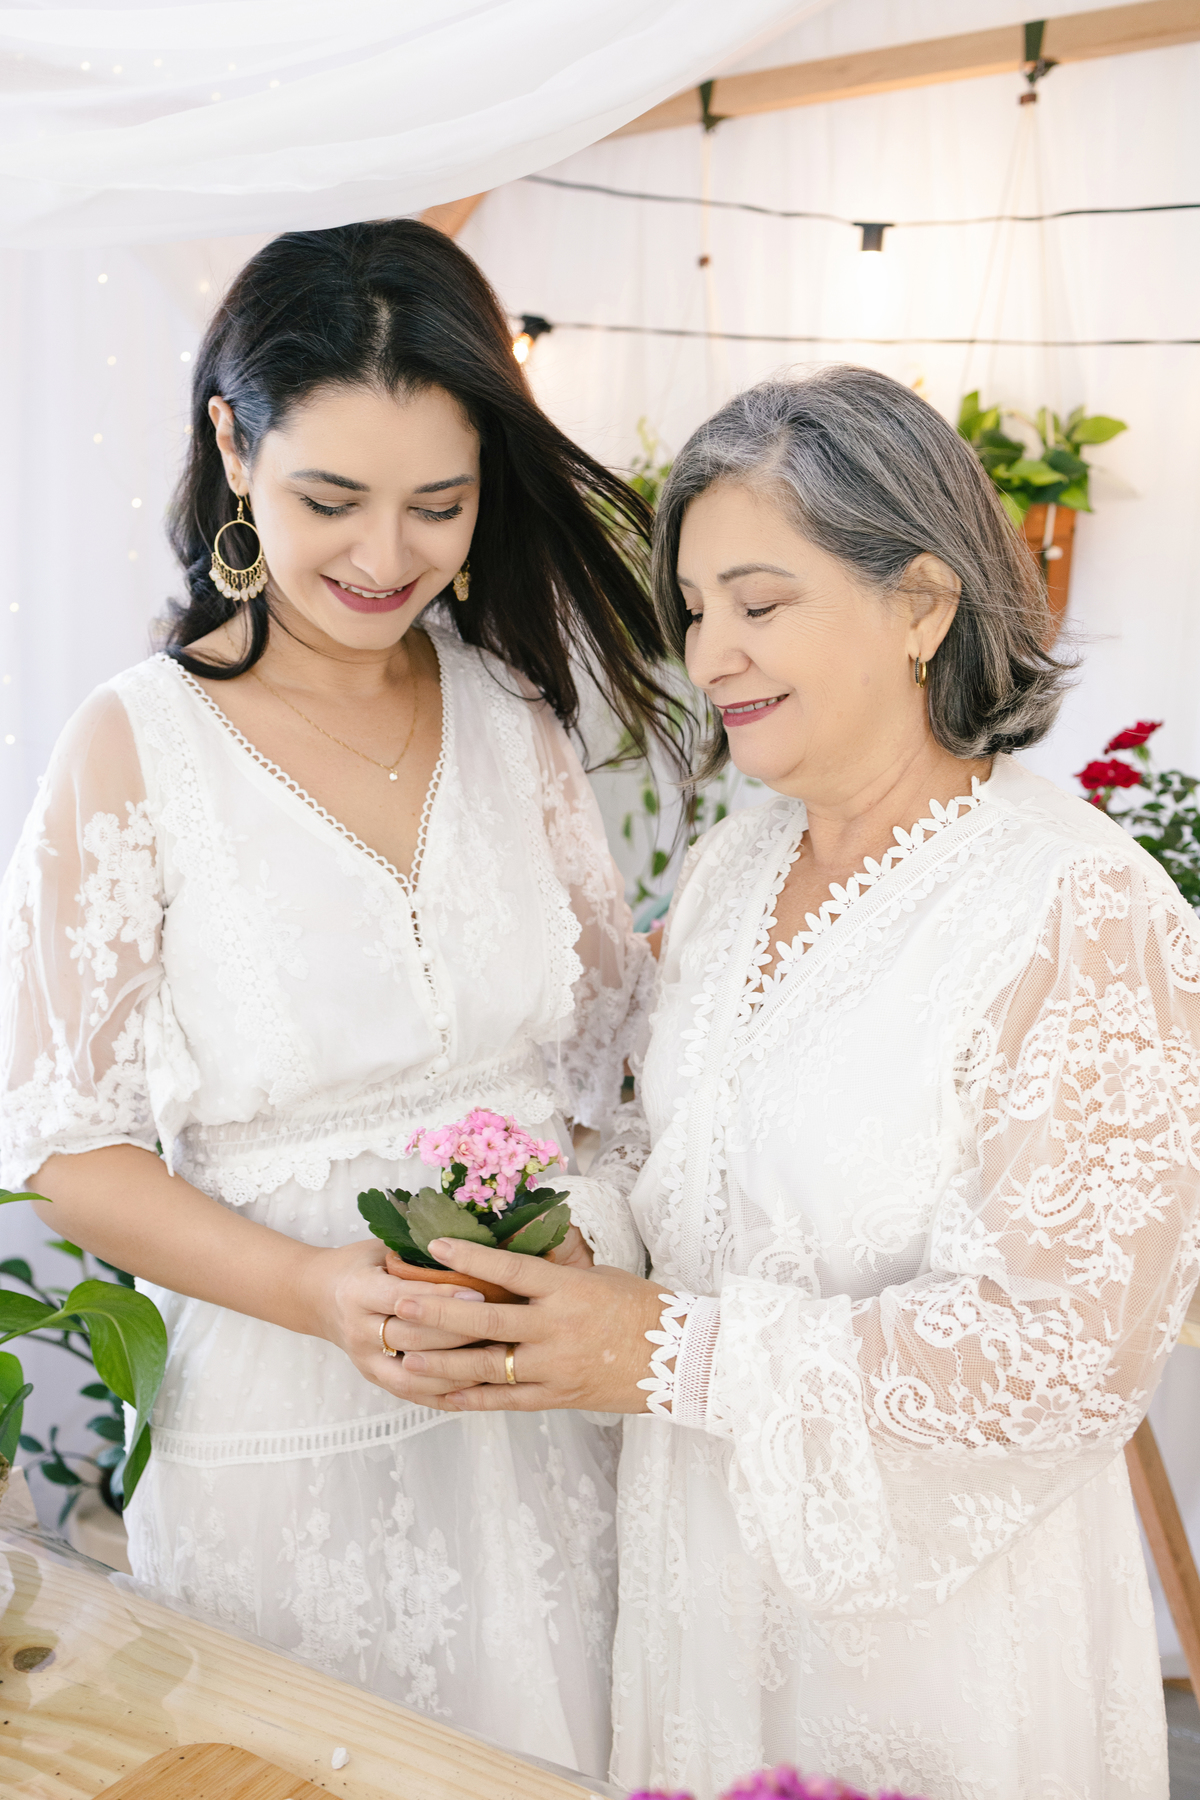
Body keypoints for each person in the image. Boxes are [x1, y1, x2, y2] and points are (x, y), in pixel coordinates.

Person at [383, 367, 1200, 1800]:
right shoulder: (730, 867)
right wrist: (569, 1255)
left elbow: (1065, 1363)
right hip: (699, 1597)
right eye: (696, 611)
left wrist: (664, 1351)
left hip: (937, 1654)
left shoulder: (1080, 911)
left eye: (759, 605)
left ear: (925, 606)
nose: (710, 657)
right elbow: (685, 1179)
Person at [0, 219, 680, 1776]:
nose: (387, 556)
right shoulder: (132, 746)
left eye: (438, 505)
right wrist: (321, 1293)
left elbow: (615, 1069)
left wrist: (591, 1233)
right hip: (276, 1427)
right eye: (331, 500)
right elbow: (71, 1147)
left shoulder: (516, 716)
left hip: (541, 1409)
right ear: (232, 446)